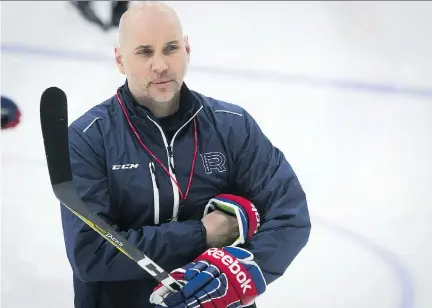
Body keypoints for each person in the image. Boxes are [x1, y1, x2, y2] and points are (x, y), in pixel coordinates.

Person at [62, 1, 311, 308]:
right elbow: (92, 251)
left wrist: (239, 272)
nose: (161, 64)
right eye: (144, 52)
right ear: (120, 59)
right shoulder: (89, 138)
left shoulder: (232, 125)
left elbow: (290, 213)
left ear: (187, 49)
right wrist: (200, 234)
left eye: (170, 48)